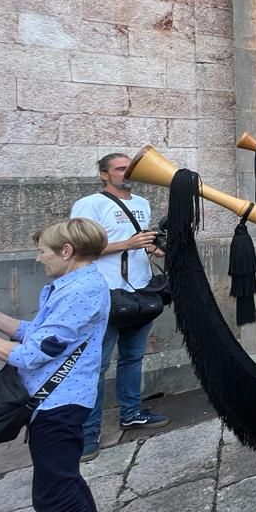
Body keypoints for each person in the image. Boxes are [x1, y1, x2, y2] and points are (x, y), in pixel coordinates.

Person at [0, 218, 114, 512]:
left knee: (55, 494)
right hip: (56, 401)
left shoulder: (81, 290)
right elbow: (38, 332)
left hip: (59, 405)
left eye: (42, 252)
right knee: (67, 481)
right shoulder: (71, 285)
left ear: (66, 251)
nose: (39, 259)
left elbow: (32, 353)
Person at [70, 153, 168, 462]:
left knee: (132, 358)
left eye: (129, 168)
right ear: (103, 174)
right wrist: (126, 245)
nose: (127, 173)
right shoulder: (89, 205)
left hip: (138, 289)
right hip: (104, 293)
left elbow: (139, 243)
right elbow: (79, 247)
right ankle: (88, 432)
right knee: (95, 365)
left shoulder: (141, 203)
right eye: (119, 169)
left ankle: (131, 412)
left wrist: (152, 248)